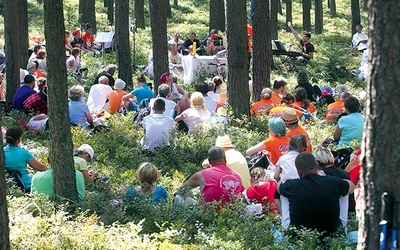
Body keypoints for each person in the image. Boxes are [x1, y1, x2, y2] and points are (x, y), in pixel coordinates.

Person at [278, 152, 355, 237]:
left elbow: (278, 186)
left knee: (283, 193)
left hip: (299, 237)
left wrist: (286, 179)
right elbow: (352, 187)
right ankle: (342, 230)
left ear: (298, 171)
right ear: (317, 165)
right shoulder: (333, 182)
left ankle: (287, 231)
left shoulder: (292, 185)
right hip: (331, 235)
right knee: (344, 189)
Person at [177, 146, 245, 206]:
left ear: (209, 161)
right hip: (234, 216)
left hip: (206, 216)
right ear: (225, 159)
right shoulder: (237, 176)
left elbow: (181, 190)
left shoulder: (201, 175)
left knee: (178, 197)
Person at [314, 146, 355, 227]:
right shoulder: (343, 173)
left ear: (317, 164)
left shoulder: (321, 176)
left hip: (332, 220)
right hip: (346, 217)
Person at [4, 126, 47, 192]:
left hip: (7, 186)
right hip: (25, 186)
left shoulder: (2, 151)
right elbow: (40, 168)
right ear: (19, 139)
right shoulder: (23, 153)